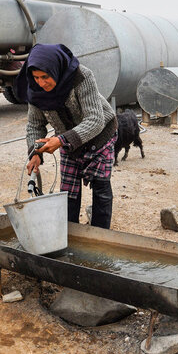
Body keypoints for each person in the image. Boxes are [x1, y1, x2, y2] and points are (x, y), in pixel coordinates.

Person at [14, 43, 117, 229]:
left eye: (46, 76)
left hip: (100, 135)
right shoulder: (35, 89)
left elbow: (95, 120)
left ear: (56, 69)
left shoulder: (81, 77)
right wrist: (35, 153)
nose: (41, 82)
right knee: (68, 192)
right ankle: (69, 237)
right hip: (68, 141)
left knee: (101, 188)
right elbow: (35, 125)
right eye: (36, 77)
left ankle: (101, 239)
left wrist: (61, 140)